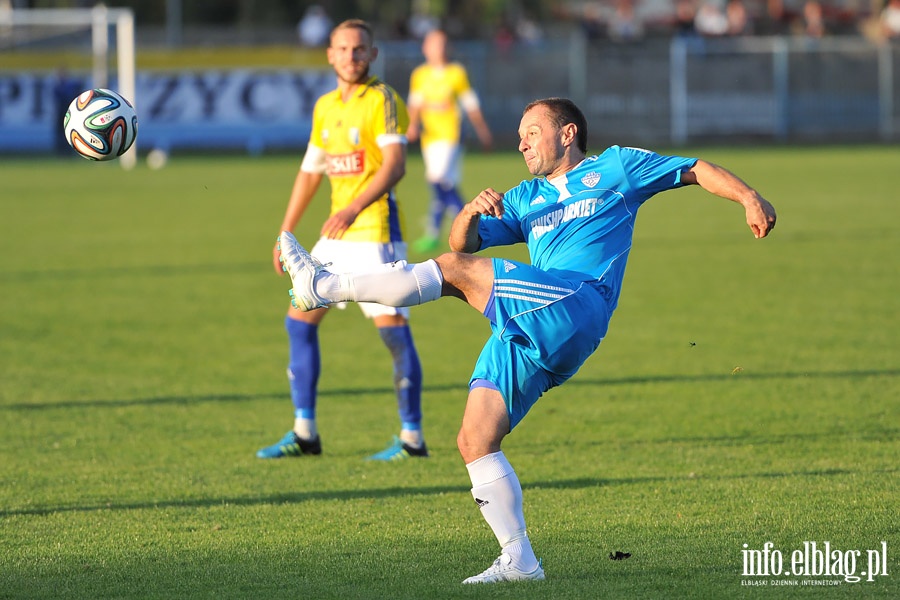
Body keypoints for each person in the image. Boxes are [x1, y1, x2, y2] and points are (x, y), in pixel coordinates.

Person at [275, 97, 777, 583]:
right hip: (535, 322)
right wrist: (469, 213)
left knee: (453, 274)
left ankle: (323, 286)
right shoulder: (523, 198)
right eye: (518, 138)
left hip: (577, 302)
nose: (521, 144)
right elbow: (461, 245)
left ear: (567, 133)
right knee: (475, 438)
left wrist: (749, 196)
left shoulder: (618, 169)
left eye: (531, 133)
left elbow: (694, 168)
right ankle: (520, 561)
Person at [259, 19, 429, 462]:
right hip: (335, 236)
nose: (351, 57)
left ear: (372, 55)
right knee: (298, 320)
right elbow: (311, 171)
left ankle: (412, 439)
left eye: (359, 50)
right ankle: (305, 433)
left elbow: (395, 166)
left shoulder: (384, 100)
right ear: (329, 54)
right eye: (343, 49)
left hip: (375, 231)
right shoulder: (325, 107)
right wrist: (286, 231)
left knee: (392, 332)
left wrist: (353, 207)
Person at [406, 29, 493, 253]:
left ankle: (468, 220)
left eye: (443, 44)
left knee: (438, 179)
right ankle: (436, 233)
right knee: (445, 185)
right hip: (430, 138)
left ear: (449, 47)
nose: (438, 49)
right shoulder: (420, 75)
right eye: (434, 44)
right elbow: (414, 104)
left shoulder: (456, 73)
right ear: (425, 48)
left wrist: (482, 130)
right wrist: (412, 125)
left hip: (451, 136)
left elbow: (470, 104)